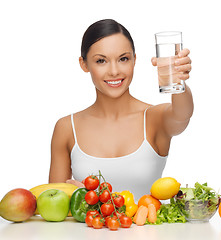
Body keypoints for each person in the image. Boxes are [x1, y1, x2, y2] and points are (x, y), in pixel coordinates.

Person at [49, 19, 193, 200]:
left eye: (123, 59)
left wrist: (179, 79)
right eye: (101, 61)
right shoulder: (66, 128)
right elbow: (54, 204)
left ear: (134, 60)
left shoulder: (154, 118)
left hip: (149, 228)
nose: (114, 71)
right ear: (84, 64)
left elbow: (182, 114)